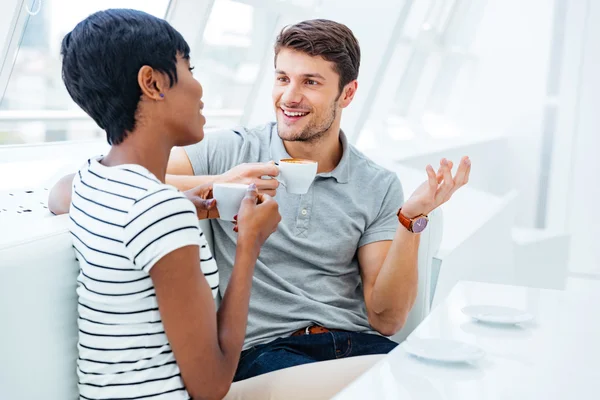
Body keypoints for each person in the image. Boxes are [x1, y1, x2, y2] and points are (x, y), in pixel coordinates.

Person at [50, 18, 470, 383]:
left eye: (310, 82)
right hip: (268, 354)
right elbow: (76, 189)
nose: (289, 96)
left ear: (347, 94)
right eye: (282, 78)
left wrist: (410, 219)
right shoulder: (230, 151)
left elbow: (387, 318)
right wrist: (223, 183)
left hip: (356, 345)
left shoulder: (376, 184)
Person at [58, 9, 281, 400]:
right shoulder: (158, 211)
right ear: (153, 82)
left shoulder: (93, 179)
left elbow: (59, 192)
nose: (199, 88)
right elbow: (211, 386)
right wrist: (250, 244)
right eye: (189, 68)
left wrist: (184, 202)